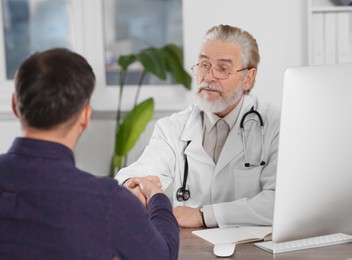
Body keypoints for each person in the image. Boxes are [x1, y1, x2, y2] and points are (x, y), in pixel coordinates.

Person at [0, 48, 179, 259]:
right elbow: (163, 256)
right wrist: (157, 197)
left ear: (14, 105)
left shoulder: (108, 200)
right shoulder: (108, 201)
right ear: (85, 116)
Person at [115, 24, 280, 228]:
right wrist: (134, 186)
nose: (208, 77)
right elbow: (141, 171)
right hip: (191, 248)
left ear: (248, 78)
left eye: (223, 69)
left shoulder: (275, 126)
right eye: (204, 65)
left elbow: (280, 202)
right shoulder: (172, 128)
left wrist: (205, 215)